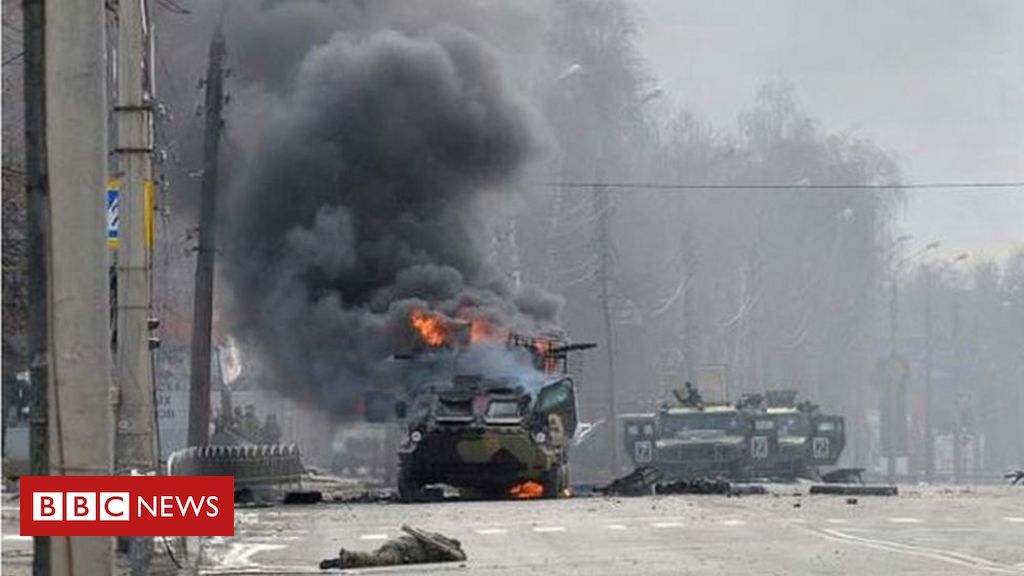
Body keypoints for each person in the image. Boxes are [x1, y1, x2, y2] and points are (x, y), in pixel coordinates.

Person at [319, 525, 466, 570]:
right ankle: (350, 556)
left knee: (374, 558)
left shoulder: (435, 538)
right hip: (402, 551)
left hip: (398, 546)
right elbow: (452, 554)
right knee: (378, 560)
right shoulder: (438, 544)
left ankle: (339, 561)